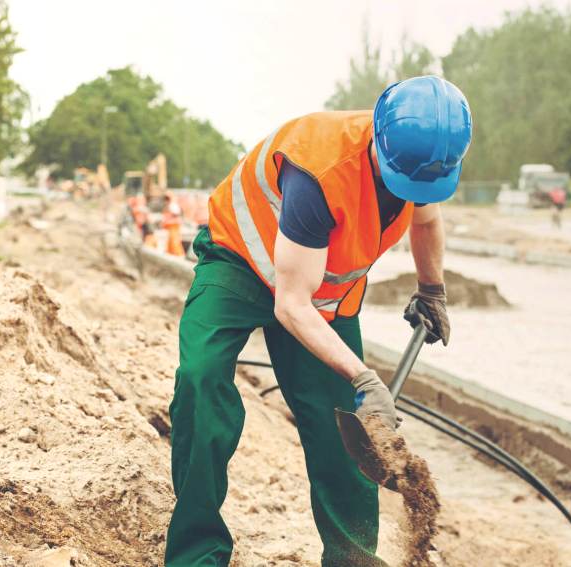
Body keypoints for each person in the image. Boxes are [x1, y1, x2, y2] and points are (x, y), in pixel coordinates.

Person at [165, 75, 472, 566]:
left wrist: (431, 290)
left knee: (346, 428)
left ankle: (350, 560)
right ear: (378, 140)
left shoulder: (417, 161)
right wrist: (364, 375)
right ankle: (196, 555)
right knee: (200, 382)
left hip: (323, 294)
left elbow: (427, 219)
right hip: (239, 263)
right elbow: (290, 305)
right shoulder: (320, 171)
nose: (413, 191)